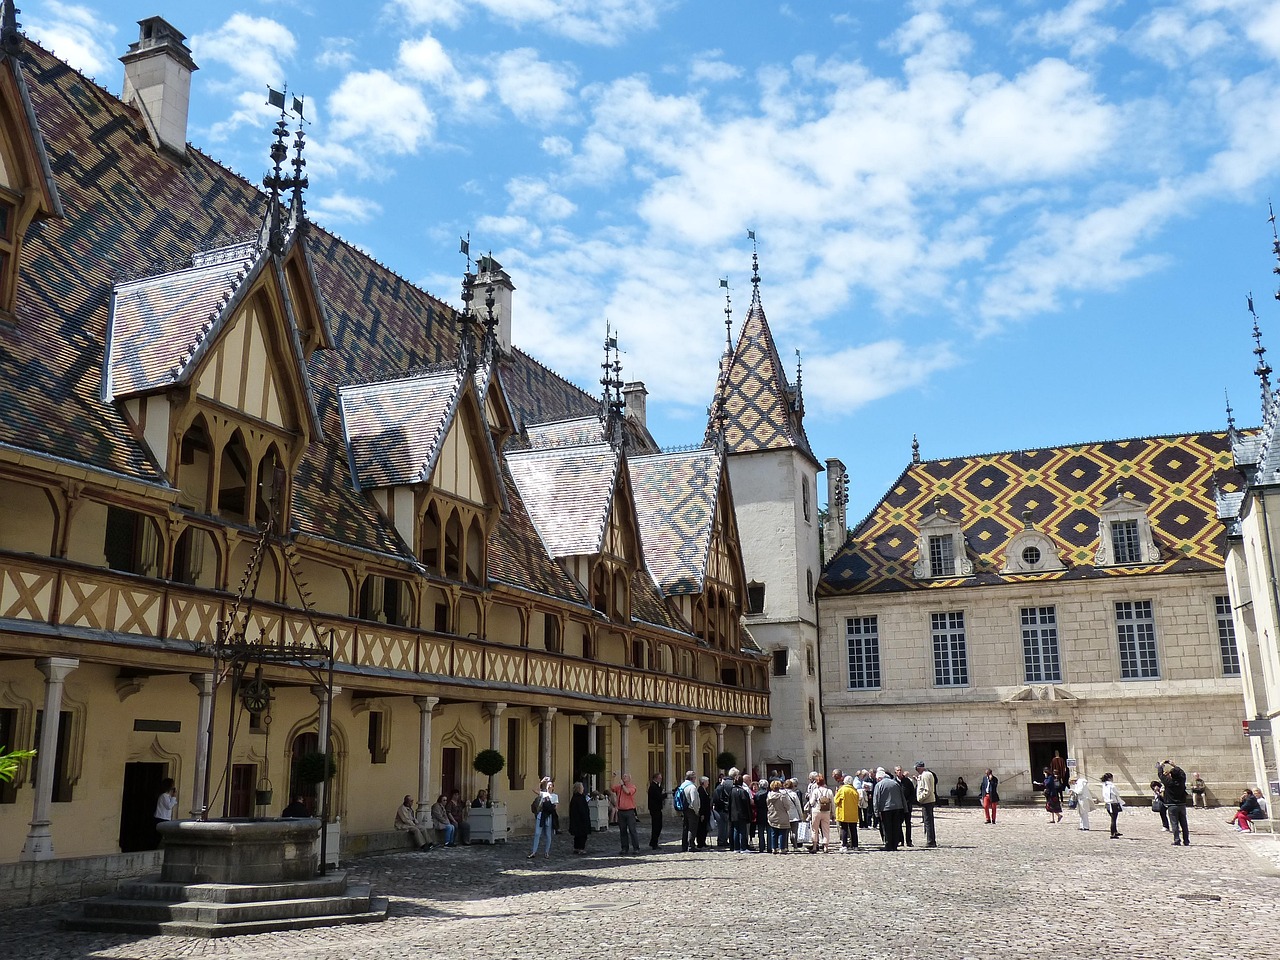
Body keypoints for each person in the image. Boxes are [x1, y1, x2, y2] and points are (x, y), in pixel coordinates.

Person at [1158, 759, 1190, 847]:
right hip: (1182, 804)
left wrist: (1161, 766)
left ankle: (1177, 840)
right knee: (1184, 823)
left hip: (1172, 805)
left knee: (1174, 823)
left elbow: (1160, 775)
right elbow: (1183, 774)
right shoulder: (1181, 781)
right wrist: (1174, 765)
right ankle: (1186, 840)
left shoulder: (1169, 782)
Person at [873, 767, 906, 851]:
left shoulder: (879, 785)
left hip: (885, 809)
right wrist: (905, 809)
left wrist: (876, 812)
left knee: (887, 828)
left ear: (880, 778)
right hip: (898, 808)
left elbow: (876, 800)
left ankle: (888, 845)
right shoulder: (895, 783)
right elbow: (902, 797)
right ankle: (894, 845)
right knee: (896, 826)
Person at [528, 777, 558, 859]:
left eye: (550, 785)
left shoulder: (555, 796)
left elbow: (555, 807)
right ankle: (534, 852)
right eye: (548, 785)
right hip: (541, 815)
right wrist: (541, 782)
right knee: (537, 833)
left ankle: (546, 852)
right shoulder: (543, 794)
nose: (549, 786)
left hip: (548, 816)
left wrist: (549, 805)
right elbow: (534, 789)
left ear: (553, 787)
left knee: (548, 835)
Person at [611, 772, 640, 854]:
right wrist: (612, 778)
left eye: (625, 776)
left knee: (632, 830)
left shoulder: (632, 787)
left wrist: (622, 785)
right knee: (622, 831)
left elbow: (627, 792)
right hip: (621, 811)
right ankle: (624, 848)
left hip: (629, 811)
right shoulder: (619, 787)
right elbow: (612, 788)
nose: (624, 777)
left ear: (629, 779)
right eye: (623, 776)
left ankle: (636, 848)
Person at [676, 770, 701, 852]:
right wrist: (696, 811)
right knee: (692, 828)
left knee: (685, 827)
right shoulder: (692, 787)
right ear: (692, 778)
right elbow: (694, 801)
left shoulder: (682, 785)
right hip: (691, 810)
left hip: (685, 809)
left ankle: (684, 845)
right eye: (695, 777)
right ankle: (691, 845)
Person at [808, 774, 834, 853]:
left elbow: (811, 802)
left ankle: (815, 846)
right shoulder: (829, 791)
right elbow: (832, 803)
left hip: (816, 811)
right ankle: (826, 846)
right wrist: (833, 814)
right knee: (826, 829)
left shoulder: (815, 791)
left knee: (814, 829)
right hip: (826, 811)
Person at [915, 761, 938, 847]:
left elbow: (927, 790)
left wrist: (920, 798)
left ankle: (930, 841)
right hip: (929, 800)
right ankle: (931, 840)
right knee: (929, 821)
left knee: (928, 822)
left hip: (927, 801)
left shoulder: (925, 775)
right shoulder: (928, 774)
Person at [834, 774, 860, 850]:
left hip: (844, 813)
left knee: (844, 829)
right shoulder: (854, 790)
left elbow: (836, 801)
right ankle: (855, 846)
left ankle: (844, 845)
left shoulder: (842, 790)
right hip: (853, 813)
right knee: (853, 830)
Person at [713, 769, 736, 848]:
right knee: (723, 826)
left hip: (721, 808)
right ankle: (722, 841)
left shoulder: (720, 787)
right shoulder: (721, 788)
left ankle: (723, 840)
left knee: (724, 826)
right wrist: (725, 805)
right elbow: (718, 799)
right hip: (722, 809)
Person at [766, 779, 791, 854]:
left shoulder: (769, 796)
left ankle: (774, 848)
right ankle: (782, 848)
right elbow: (787, 807)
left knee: (774, 832)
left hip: (772, 815)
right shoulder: (782, 796)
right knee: (782, 832)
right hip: (782, 815)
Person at [729, 775, 752, 852]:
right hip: (742, 814)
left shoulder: (732, 791)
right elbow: (747, 804)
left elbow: (729, 803)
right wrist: (749, 815)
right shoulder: (742, 792)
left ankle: (736, 848)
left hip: (733, 814)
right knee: (742, 831)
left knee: (736, 830)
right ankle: (743, 847)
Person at [894, 766, 915, 846]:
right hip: (898, 807)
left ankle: (909, 840)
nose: (899, 772)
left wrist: (908, 802)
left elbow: (912, 793)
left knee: (908, 824)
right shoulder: (894, 782)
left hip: (907, 805)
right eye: (897, 770)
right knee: (898, 824)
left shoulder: (907, 781)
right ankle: (900, 840)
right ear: (895, 772)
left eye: (900, 770)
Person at [569, 782, 591, 854]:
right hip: (581, 821)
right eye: (582, 787)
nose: (583, 789)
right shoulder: (581, 798)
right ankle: (581, 848)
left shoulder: (574, 798)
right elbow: (583, 810)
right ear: (579, 789)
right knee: (582, 835)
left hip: (575, 820)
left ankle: (576, 847)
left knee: (577, 835)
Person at [1100, 772, 1123, 839]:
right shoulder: (1112, 786)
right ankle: (1112, 833)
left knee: (1113, 818)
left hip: (1107, 803)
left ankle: (1115, 831)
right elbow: (1116, 793)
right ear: (1110, 778)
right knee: (1113, 819)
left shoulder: (1104, 785)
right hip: (1113, 804)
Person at [647, 773, 664, 849]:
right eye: (659, 778)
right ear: (655, 778)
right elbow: (659, 797)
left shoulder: (657, 785)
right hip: (654, 809)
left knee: (658, 826)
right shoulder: (653, 786)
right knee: (656, 826)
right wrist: (665, 794)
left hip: (657, 808)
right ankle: (654, 843)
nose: (661, 779)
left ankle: (653, 842)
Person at [697, 776, 712, 849]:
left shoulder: (704, 790)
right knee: (701, 828)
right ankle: (700, 843)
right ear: (703, 782)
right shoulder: (701, 790)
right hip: (703, 813)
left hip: (706, 813)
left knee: (704, 828)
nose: (708, 783)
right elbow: (702, 803)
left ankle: (703, 842)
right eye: (707, 782)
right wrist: (702, 814)